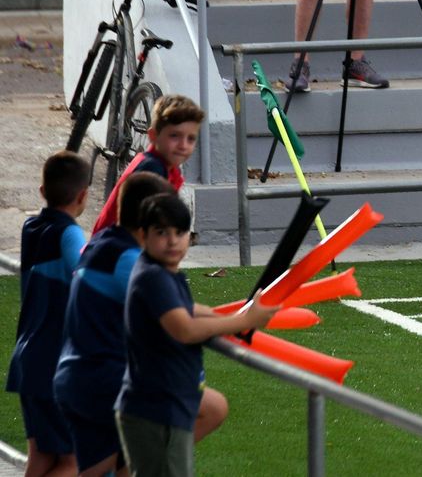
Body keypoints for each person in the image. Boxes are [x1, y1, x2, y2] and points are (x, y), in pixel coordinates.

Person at [116, 195, 277, 477]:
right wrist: (243, 321)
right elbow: (185, 329)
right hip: (159, 410)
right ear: (143, 235)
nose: (172, 241)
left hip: (162, 405)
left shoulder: (162, 272)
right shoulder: (154, 276)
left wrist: (225, 318)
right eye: (161, 232)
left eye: (179, 233)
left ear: (190, 238)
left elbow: (188, 310)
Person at [54, 174, 177, 477]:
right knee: (208, 408)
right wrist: (242, 319)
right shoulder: (131, 261)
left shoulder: (101, 245)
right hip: (103, 380)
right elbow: (178, 320)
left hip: (75, 376)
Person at [7, 152, 90, 477]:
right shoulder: (69, 234)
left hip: (27, 360)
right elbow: (85, 272)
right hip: (55, 363)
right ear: (83, 196)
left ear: (42, 191)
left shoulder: (31, 228)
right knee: (72, 461)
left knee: (40, 457)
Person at [94, 93, 204, 233]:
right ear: (153, 136)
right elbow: (148, 229)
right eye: (174, 136)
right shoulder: (152, 170)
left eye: (191, 139)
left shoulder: (161, 165)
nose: (183, 145)